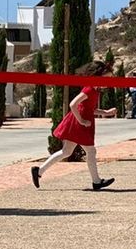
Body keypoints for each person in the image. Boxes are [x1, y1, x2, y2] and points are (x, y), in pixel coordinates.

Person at [32, 60, 115, 191]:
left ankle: (39, 171)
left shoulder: (95, 89)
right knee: (90, 151)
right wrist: (81, 121)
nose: (109, 82)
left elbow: (88, 109)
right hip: (79, 124)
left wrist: (105, 112)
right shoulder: (89, 88)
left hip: (80, 122)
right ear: (99, 76)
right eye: (107, 78)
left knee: (66, 152)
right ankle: (96, 181)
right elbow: (73, 104)